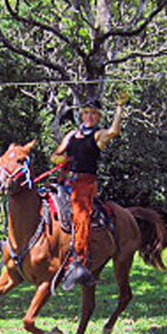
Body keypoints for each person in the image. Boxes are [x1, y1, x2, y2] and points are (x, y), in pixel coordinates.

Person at [51, 92, 128, 290]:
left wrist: (119, 108)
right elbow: (56, 155)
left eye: (94, 114)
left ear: (98, 117)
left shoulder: (98, 135)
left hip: (85, 184)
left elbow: (114, 131)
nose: (90, 117)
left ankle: (79, 260)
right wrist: (61, 160)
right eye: (87, 113)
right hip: (66, 180)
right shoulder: (71, 135)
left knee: (81, 216)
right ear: (82, 115)